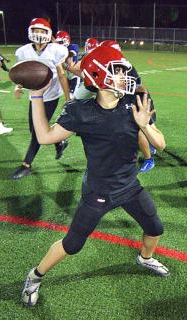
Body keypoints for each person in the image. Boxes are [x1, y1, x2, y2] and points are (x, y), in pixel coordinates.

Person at [21, 46, 169, 307]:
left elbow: (161, 144)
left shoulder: (133, 103)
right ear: (98, 76)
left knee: (155, 228)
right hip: (99, 191)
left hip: (130, 185)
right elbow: (44, 136)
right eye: (118, 71)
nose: (126, 76)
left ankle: (144, 258)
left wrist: (145, 125)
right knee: (73, 244)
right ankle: (34, 275)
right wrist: (36, 96)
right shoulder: (81, 111)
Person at [71, 39, 158, 173]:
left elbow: (140, 88)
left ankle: (149, 158)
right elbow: (78, 69)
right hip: (121, 99)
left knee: (143, 131)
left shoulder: (123, 67)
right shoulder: (107, 65)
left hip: (134, 99)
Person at [11, 18, 71, 180]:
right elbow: (23, 72)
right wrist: (19, 86)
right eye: (36, 30)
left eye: (43, 31)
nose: (39, 34)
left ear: (49, 33)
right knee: (33, 129)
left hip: (51, 96)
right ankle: (59, 142)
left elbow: (62, 74)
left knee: (37, 133)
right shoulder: (23, 51)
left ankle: (26, 164)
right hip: (34, 94)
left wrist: (68, 97)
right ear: (30, 31)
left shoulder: (56, 50)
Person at [55, 30, 80, 94]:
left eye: (60, 42)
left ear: (66, 41)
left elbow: (70, 63)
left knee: (72, 97)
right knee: (68, 96)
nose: (58, 45)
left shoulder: (73, 47)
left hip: (75, 76)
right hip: (69, 77)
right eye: (57, 43)